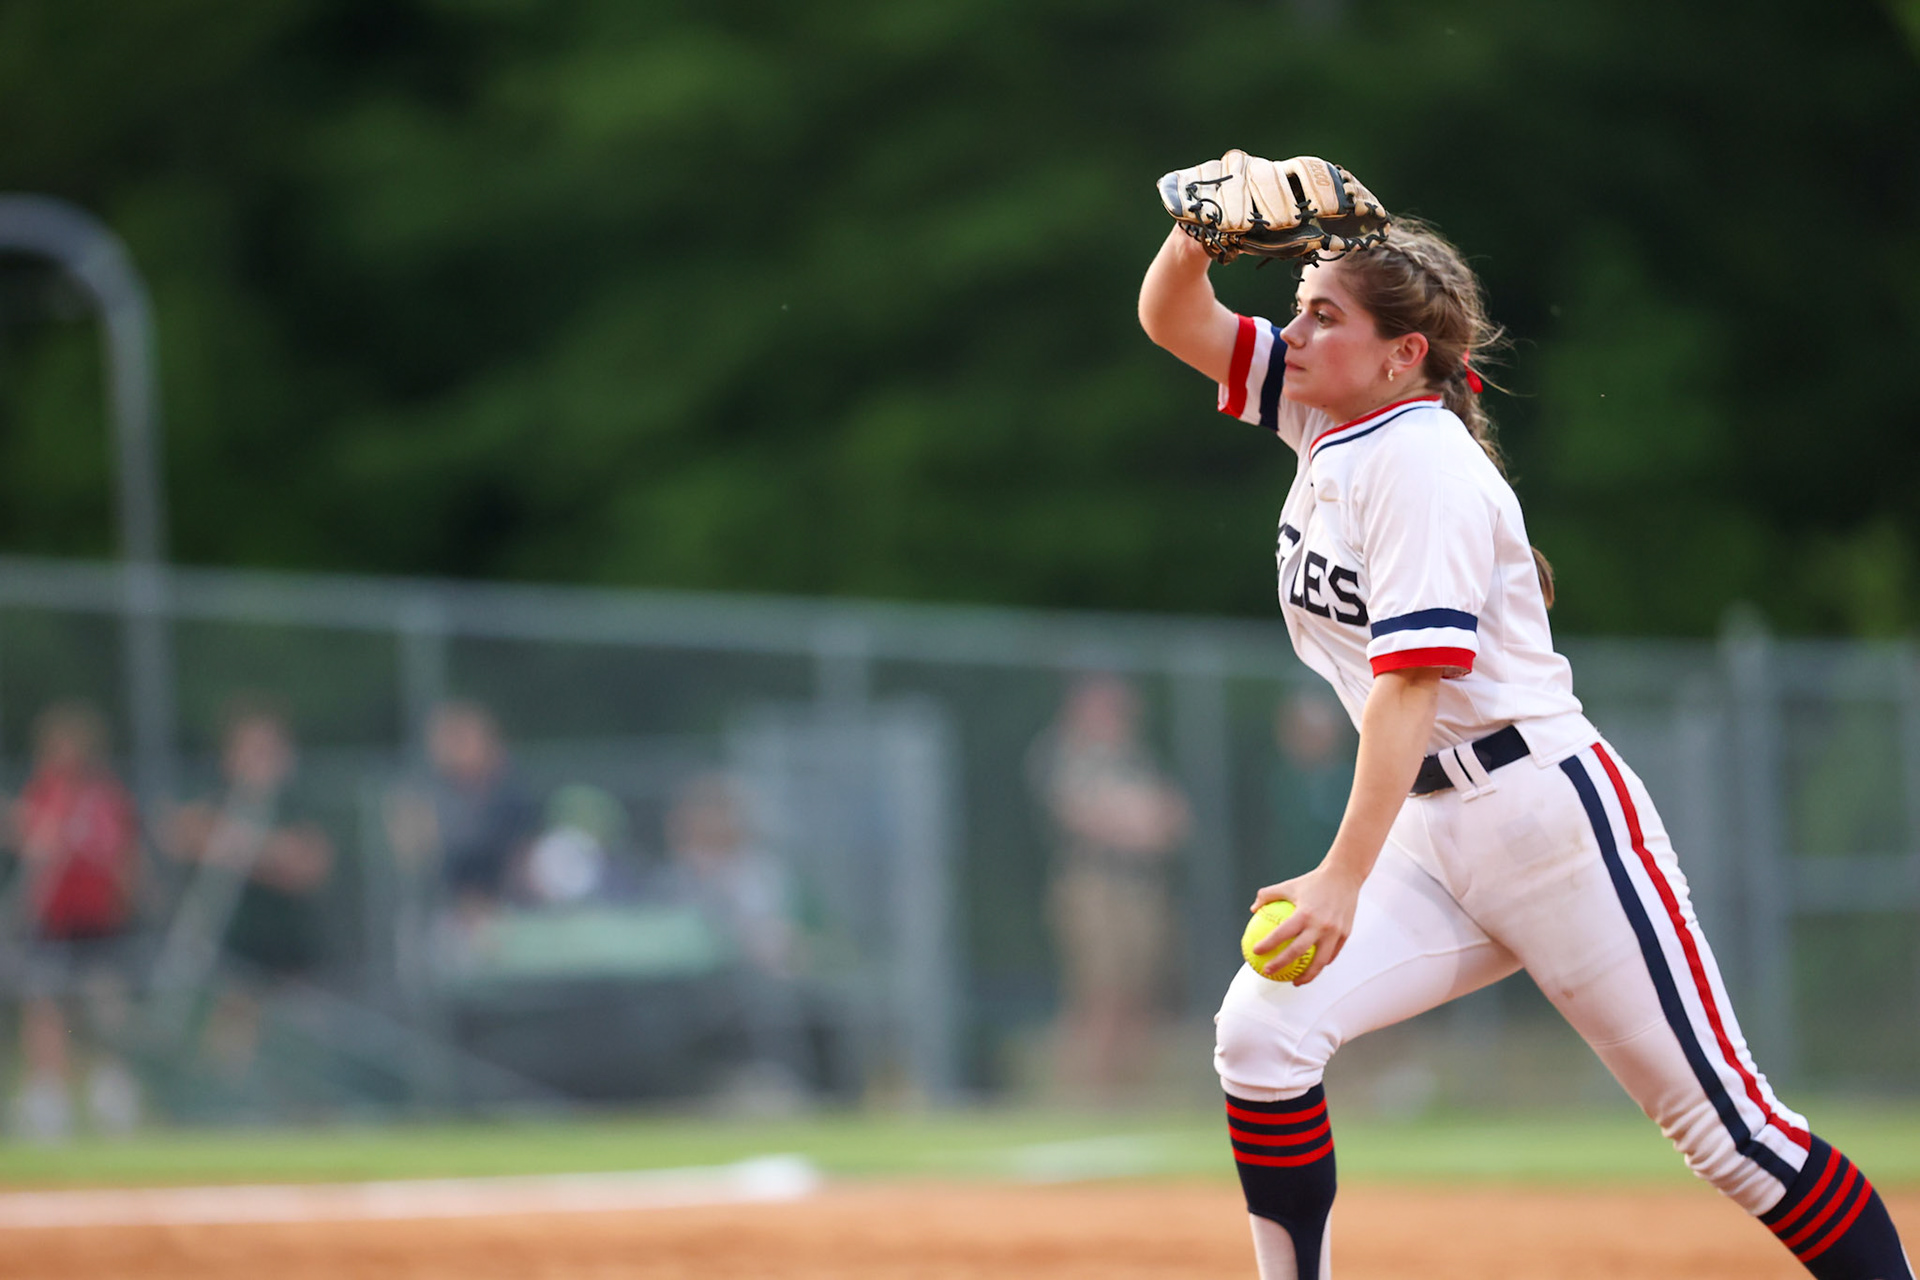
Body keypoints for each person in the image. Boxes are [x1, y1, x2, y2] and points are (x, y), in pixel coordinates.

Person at [1137, 153, 1913, 1280]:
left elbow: (1410, 687)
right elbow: (1173, 317)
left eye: (1323, 315)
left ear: (1405, 354)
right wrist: (1201, 235)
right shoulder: (1325, 419)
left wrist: (1341, 876)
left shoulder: (1423, 463)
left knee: (1732, 1134)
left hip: (1547, 826)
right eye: (1297, 308)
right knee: (1262, 1037)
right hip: (1429, 833)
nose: (1292, 333)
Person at [1028, 673, 1189, 1102]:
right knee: (1098, 995)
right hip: (1092, 886)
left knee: (1141, 995)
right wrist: (1136, 820)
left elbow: (1174, 818)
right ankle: (1085, 1096)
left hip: (1142, 888)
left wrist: (1131, 818)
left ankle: (1127, 1097)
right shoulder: (1062, 752)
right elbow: (1083, 815)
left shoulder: (1136, 757)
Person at [162, 701, 334, 1081]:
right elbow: (182, 835)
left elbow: (309, 865)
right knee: (230, 1046)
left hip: (291, 949)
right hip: (235, 950)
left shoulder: (296, 803)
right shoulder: (216, 798)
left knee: (301, 1050)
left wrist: (244, 848)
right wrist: (269, 853)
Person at [5, 703, 143, 1139]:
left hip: (98, 921)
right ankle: (49, 1098)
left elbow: (123, 858)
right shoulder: (42, 794)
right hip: (51, 921)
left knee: (104, 1008)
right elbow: (27, 842)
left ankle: (110, 1092)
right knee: (44, 1006)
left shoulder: (106, 797)